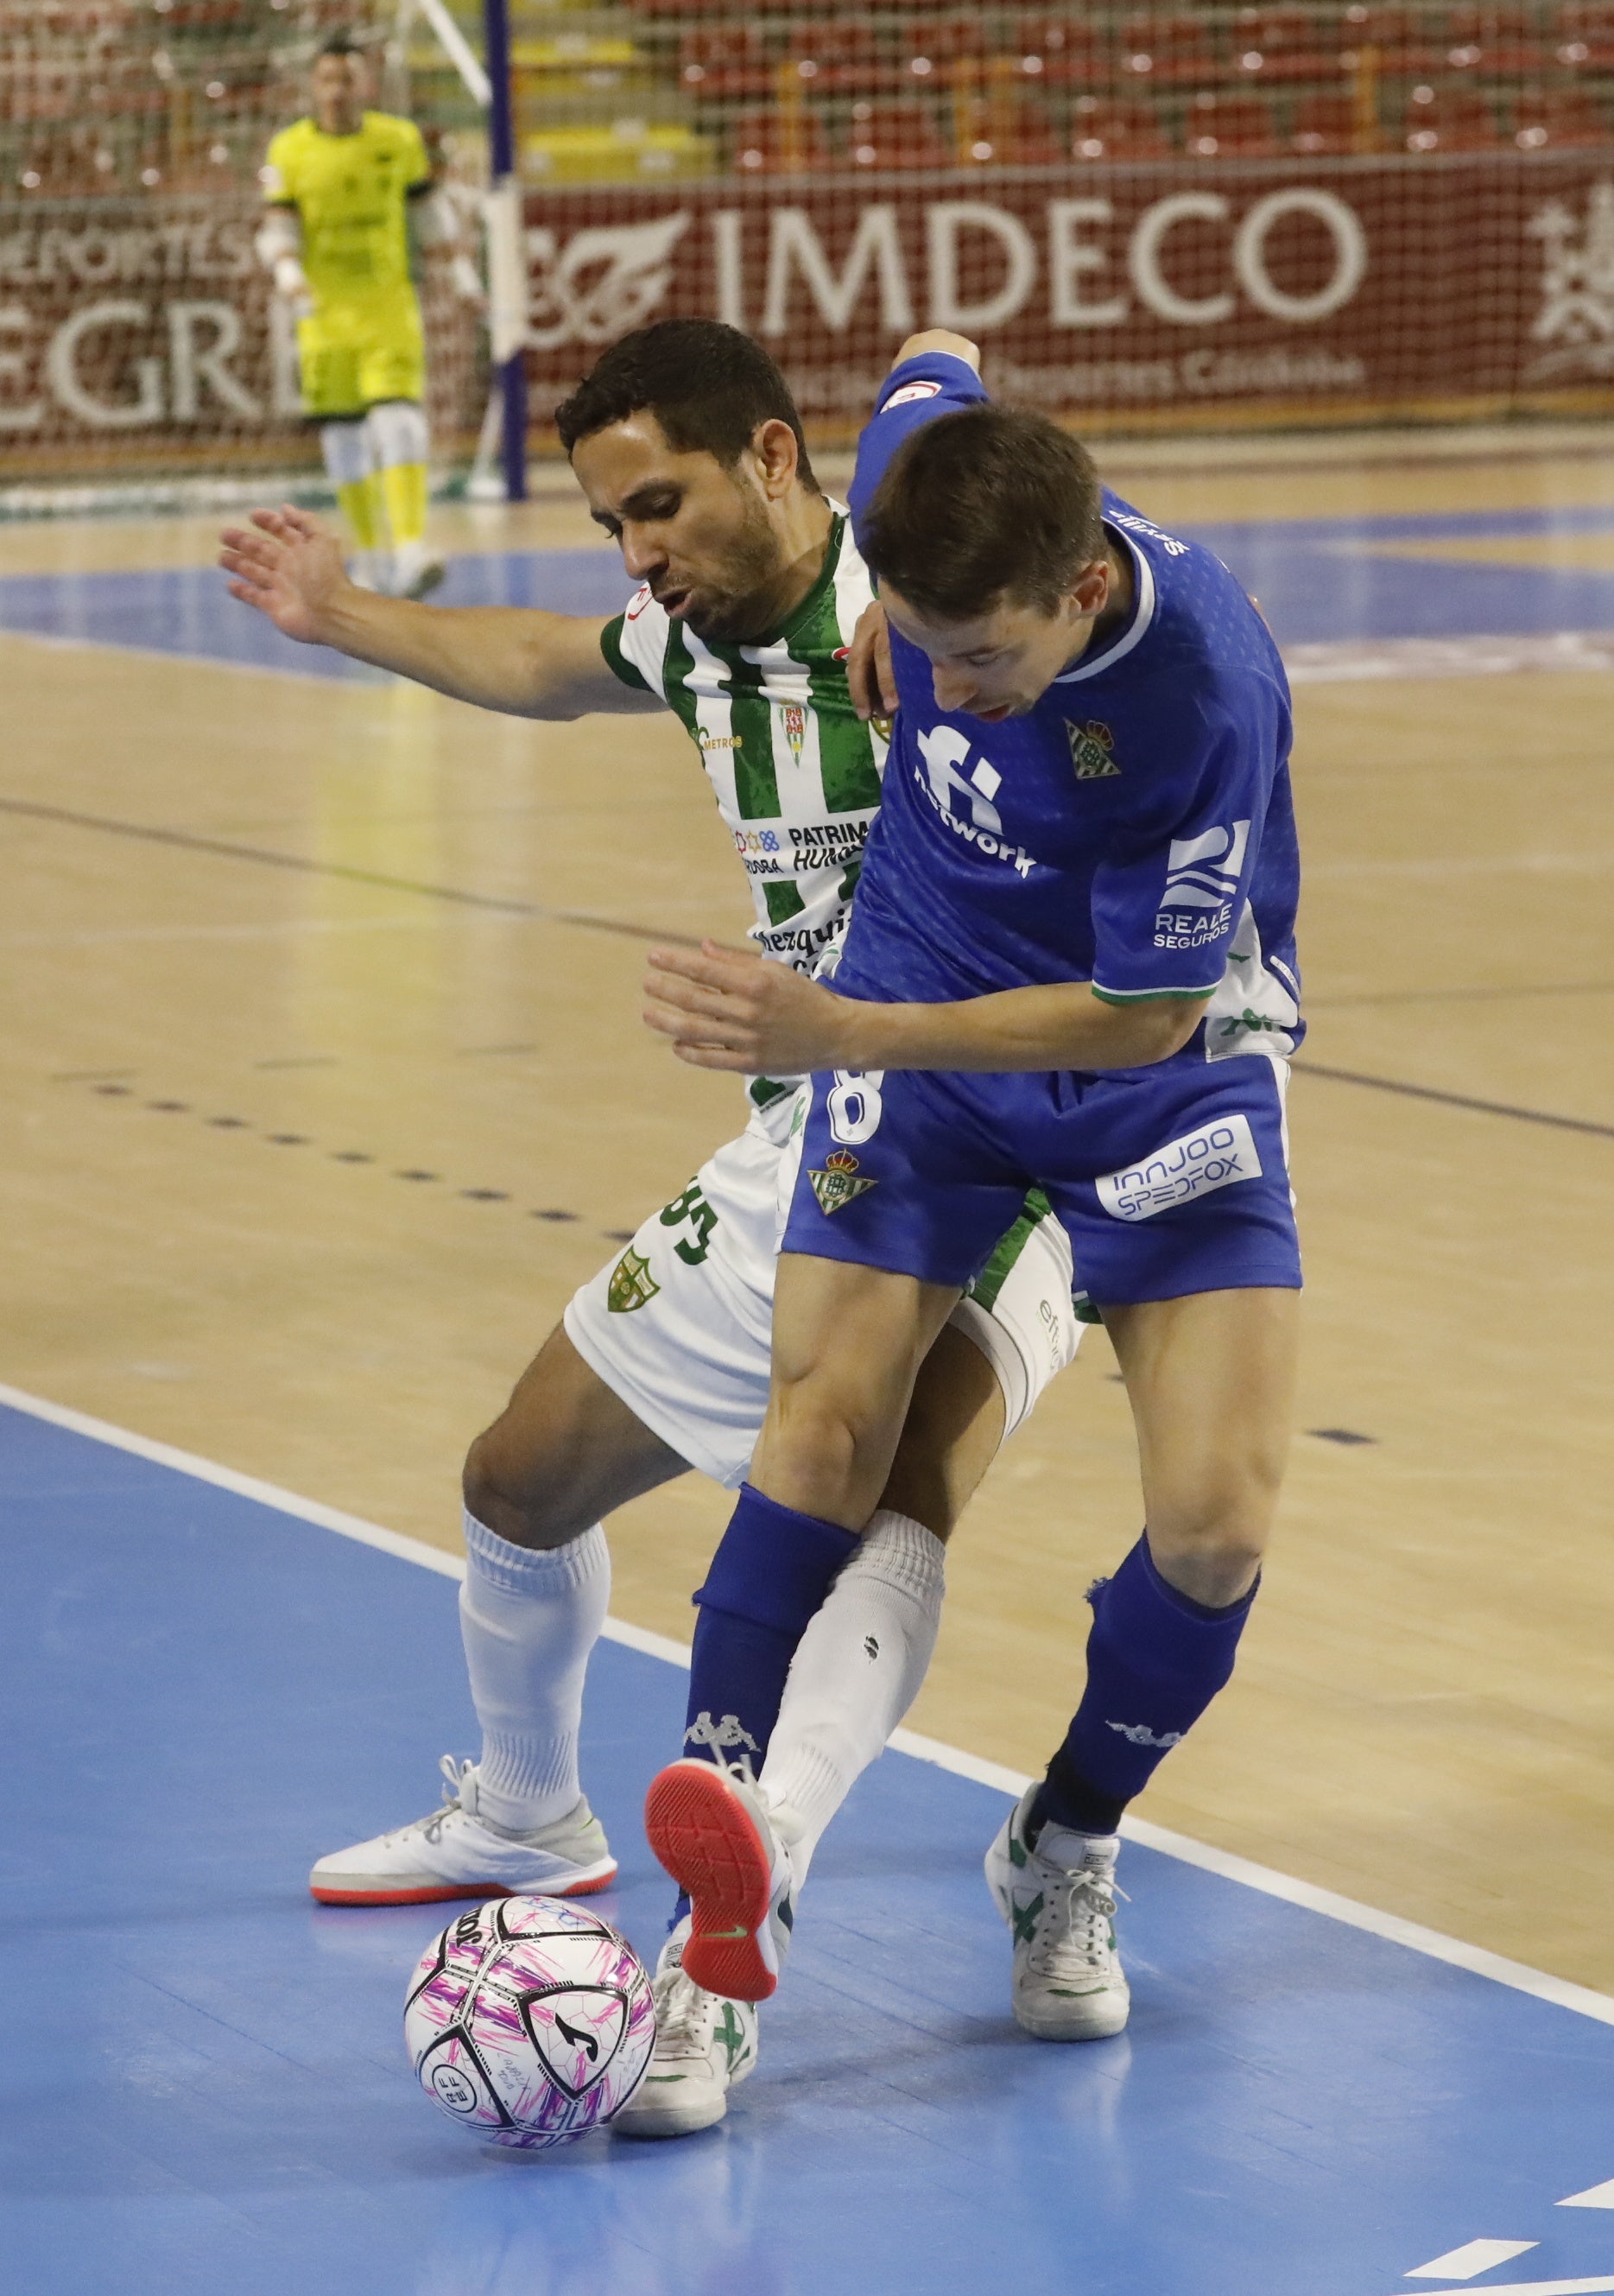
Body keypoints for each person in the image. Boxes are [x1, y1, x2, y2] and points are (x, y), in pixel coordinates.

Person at [218, 320, 1086, 2135]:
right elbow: (542, 658)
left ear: (777, 457)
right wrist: (346, 614)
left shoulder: (921, 596)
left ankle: (730, 1930)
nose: (639, 554)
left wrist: (938, 377)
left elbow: (998, 458)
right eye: (614, 520)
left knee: (874, 1487)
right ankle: (529, 1812)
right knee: (518, 1478)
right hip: (811, 1123)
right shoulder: (687, 643)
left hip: (1020, 1118)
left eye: (661, 507)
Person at [638, 327, 1302, 2052]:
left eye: (983, 656)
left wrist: (844, 1020)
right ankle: (719, 1912)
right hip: (930, 968)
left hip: (1148, 1055)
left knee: (1218, 1528)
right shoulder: (926, 491)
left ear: (1083, 587)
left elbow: (1140, 1004)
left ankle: (1062, 1835)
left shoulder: (1195, 695)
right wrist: (899, 613)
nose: (948, 686)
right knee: (822, 1429)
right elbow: (933, 357)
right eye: (919, 645)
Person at [256, 33, 478, 599]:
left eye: (347, 79)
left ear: (367, 84)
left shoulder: (398, 141)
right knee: (346, 439)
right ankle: (372, 556)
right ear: (313, 85)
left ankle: (410, 548)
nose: (336, 91)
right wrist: (288, 276)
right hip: (324, 316)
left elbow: (429, 212)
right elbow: (278, 226)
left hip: (389, 307)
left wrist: (462, 277)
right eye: (327, 79)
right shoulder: (289, 150)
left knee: (400, 421)